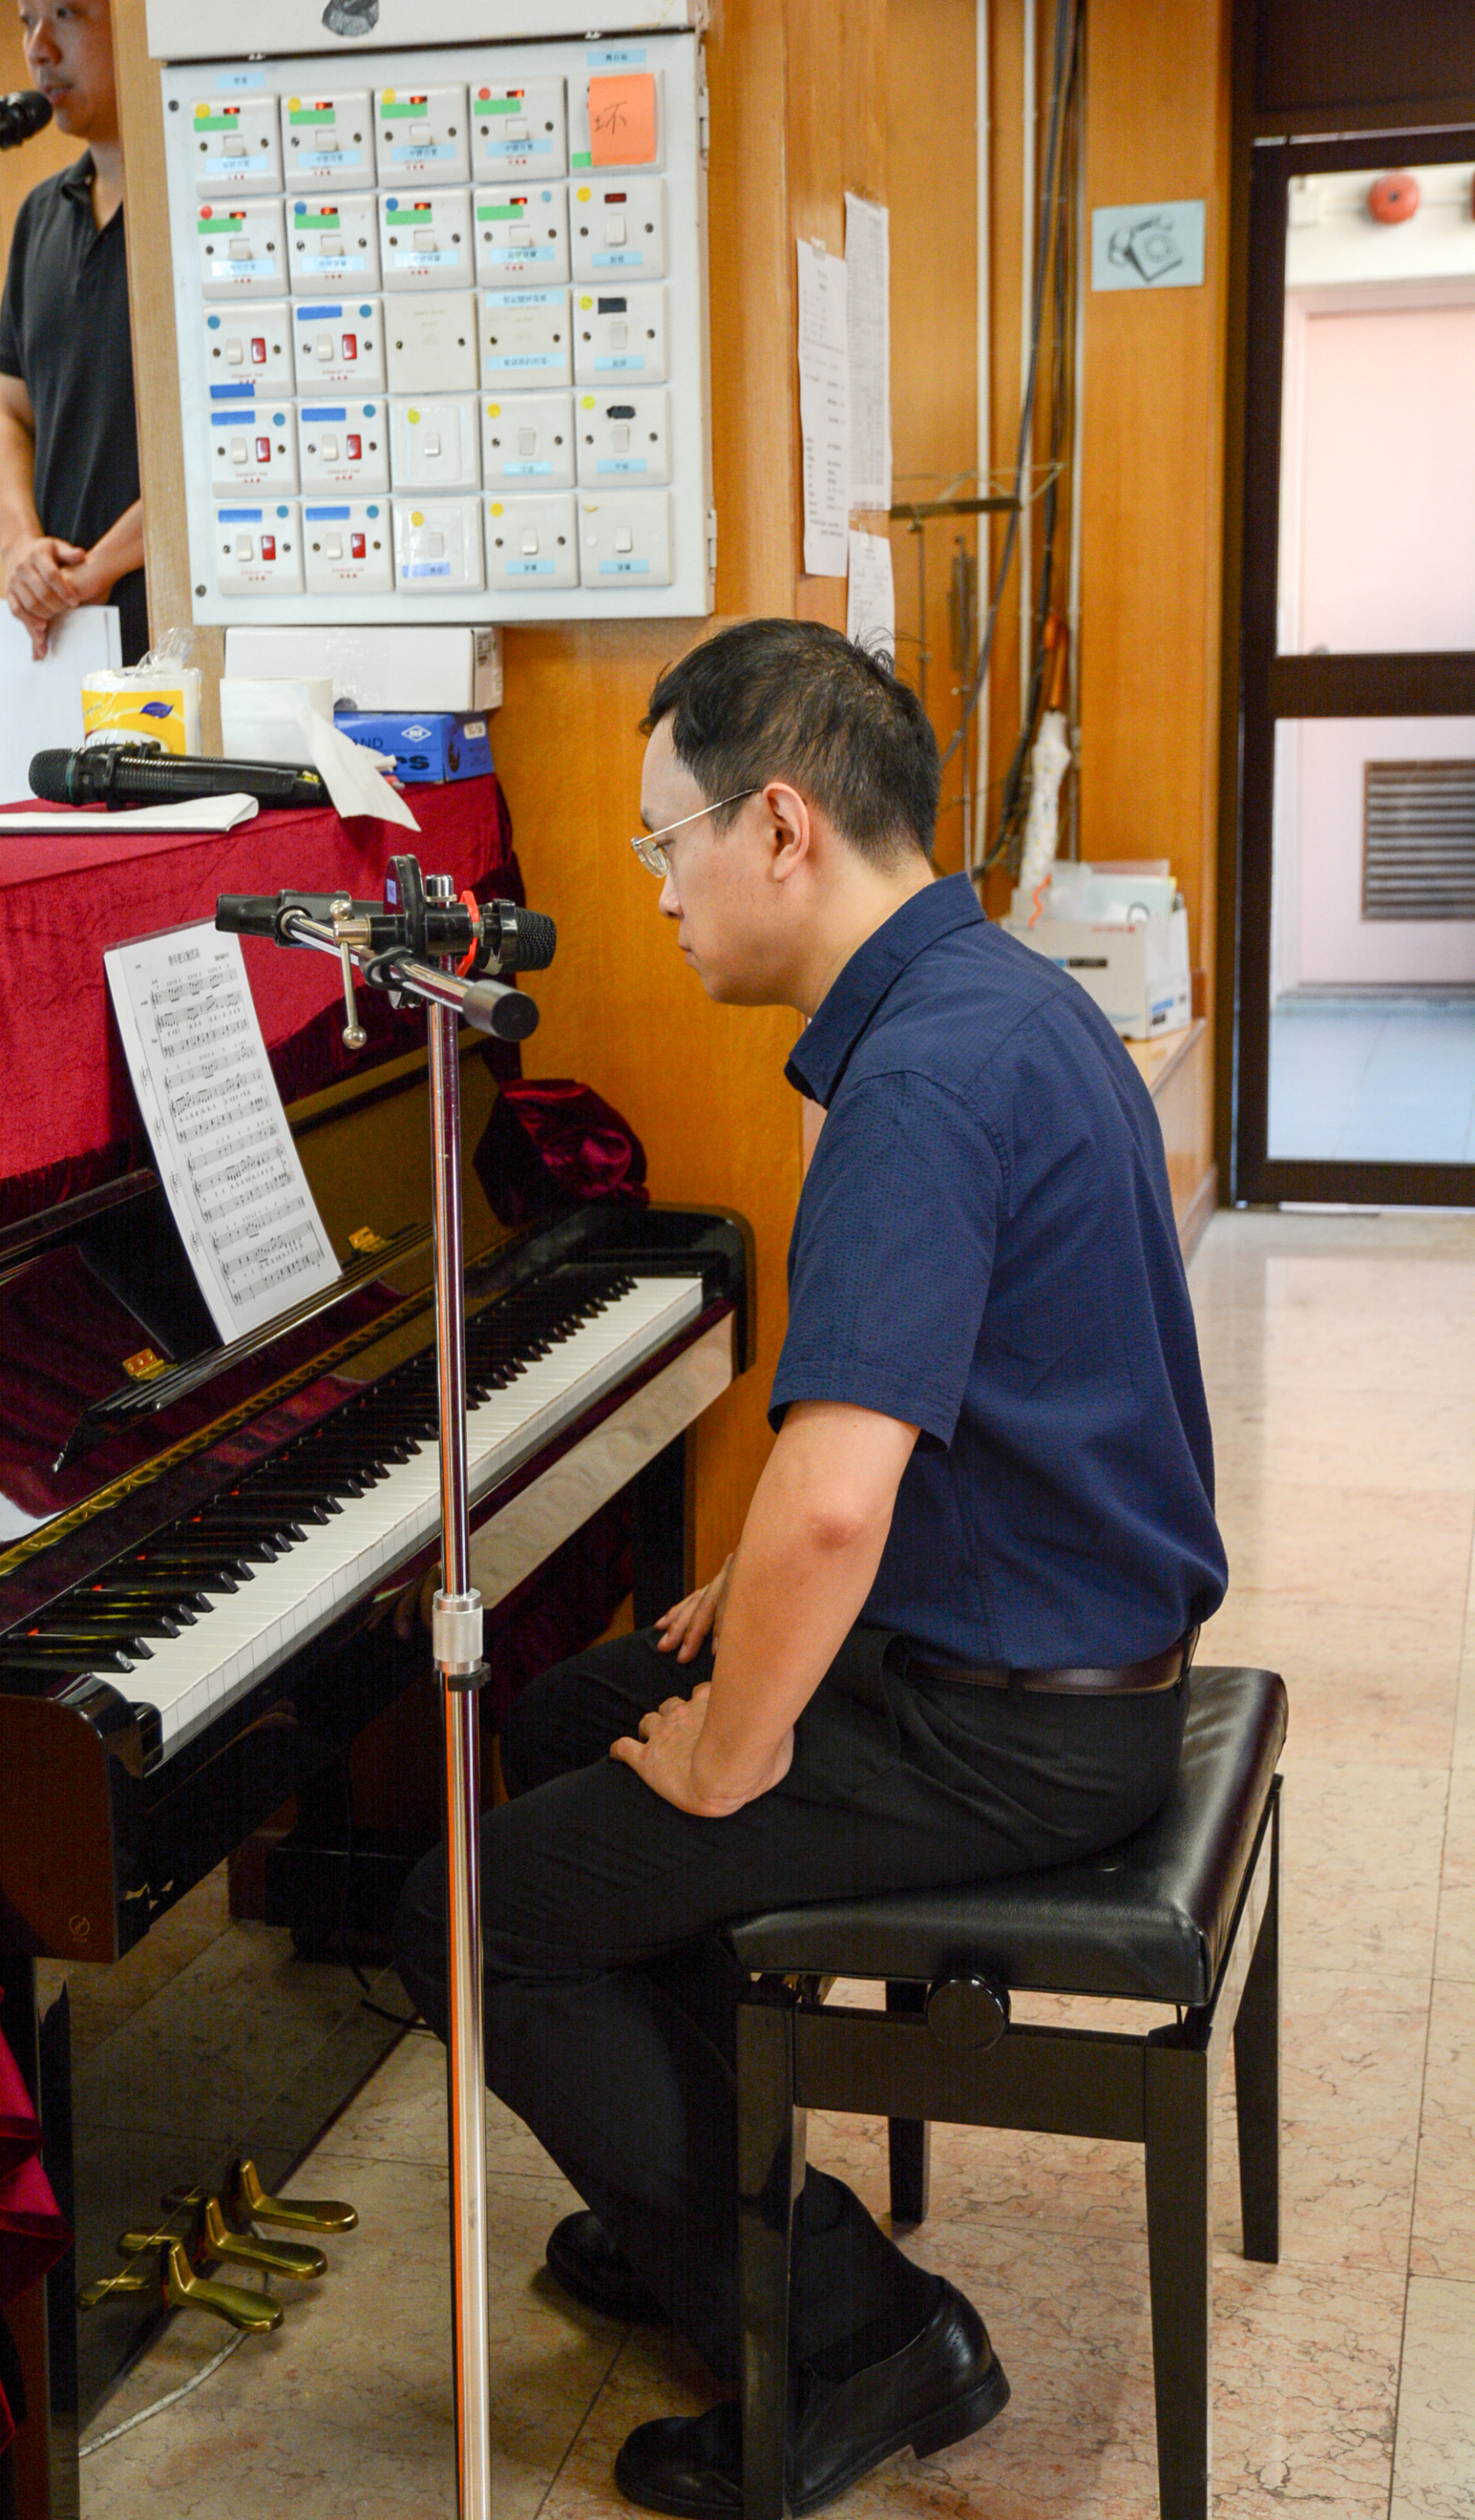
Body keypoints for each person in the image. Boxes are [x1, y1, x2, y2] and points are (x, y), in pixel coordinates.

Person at [395, 618, 1228, 2517]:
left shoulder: (915, 1082)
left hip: (1016, 1723)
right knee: (576, 1710)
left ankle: (854, 2333)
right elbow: (946, 1411)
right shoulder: (996, 995)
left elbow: (839, 1504)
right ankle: (702, 2200)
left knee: (471, 1911)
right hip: (1053, 1626)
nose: (656, 890)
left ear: (779, 827)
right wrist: (747, 1614)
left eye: (663, 841)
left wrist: (738, 1735)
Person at [0, 0, 147, 663]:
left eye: (65, 13)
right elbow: (6, 411)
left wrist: (99, 568)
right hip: (65, 639)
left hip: (180, 625)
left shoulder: (207, 206)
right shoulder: (40, 216)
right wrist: (20, 547)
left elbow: (234, 440)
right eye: (27, 21)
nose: (38, 47)